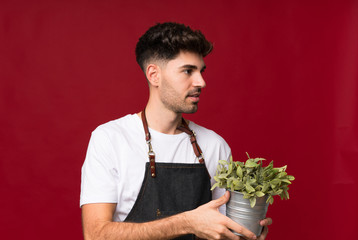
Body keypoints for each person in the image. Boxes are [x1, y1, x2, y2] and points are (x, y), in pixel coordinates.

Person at [80, 22, 272, 240]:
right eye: (188, 71)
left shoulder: (214, 145)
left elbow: (224, 231)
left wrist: (247, 231)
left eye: (201, 71)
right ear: (154, 75)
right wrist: (186, 223)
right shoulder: (110, 139)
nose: (201, 82)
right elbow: (95, 235)